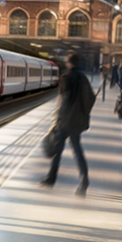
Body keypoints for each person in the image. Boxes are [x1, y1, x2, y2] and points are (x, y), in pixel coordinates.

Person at [40, 51, 93, 195]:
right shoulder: (83, 78)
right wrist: (83, 113)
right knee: (78, 152)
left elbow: (63, 100)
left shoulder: (66, 77)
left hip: (65, 121)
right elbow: (91, 99)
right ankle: (84, 180)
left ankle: (51, 179)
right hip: (77, 122)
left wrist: (57, 119)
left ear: (69, 63)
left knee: (58, 151)